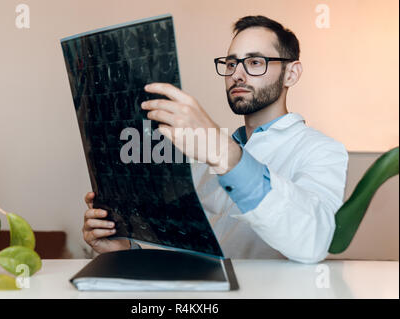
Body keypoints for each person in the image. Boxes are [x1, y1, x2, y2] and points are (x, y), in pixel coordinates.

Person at [83, 15, 348, 263]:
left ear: (291, 73)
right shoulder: (202, 156)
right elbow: (191, 254)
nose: (237, 74)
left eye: (255, 62)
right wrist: (126, 251)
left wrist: (226, 154)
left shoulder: (322, 151)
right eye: (232, 63)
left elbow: (314, 239)